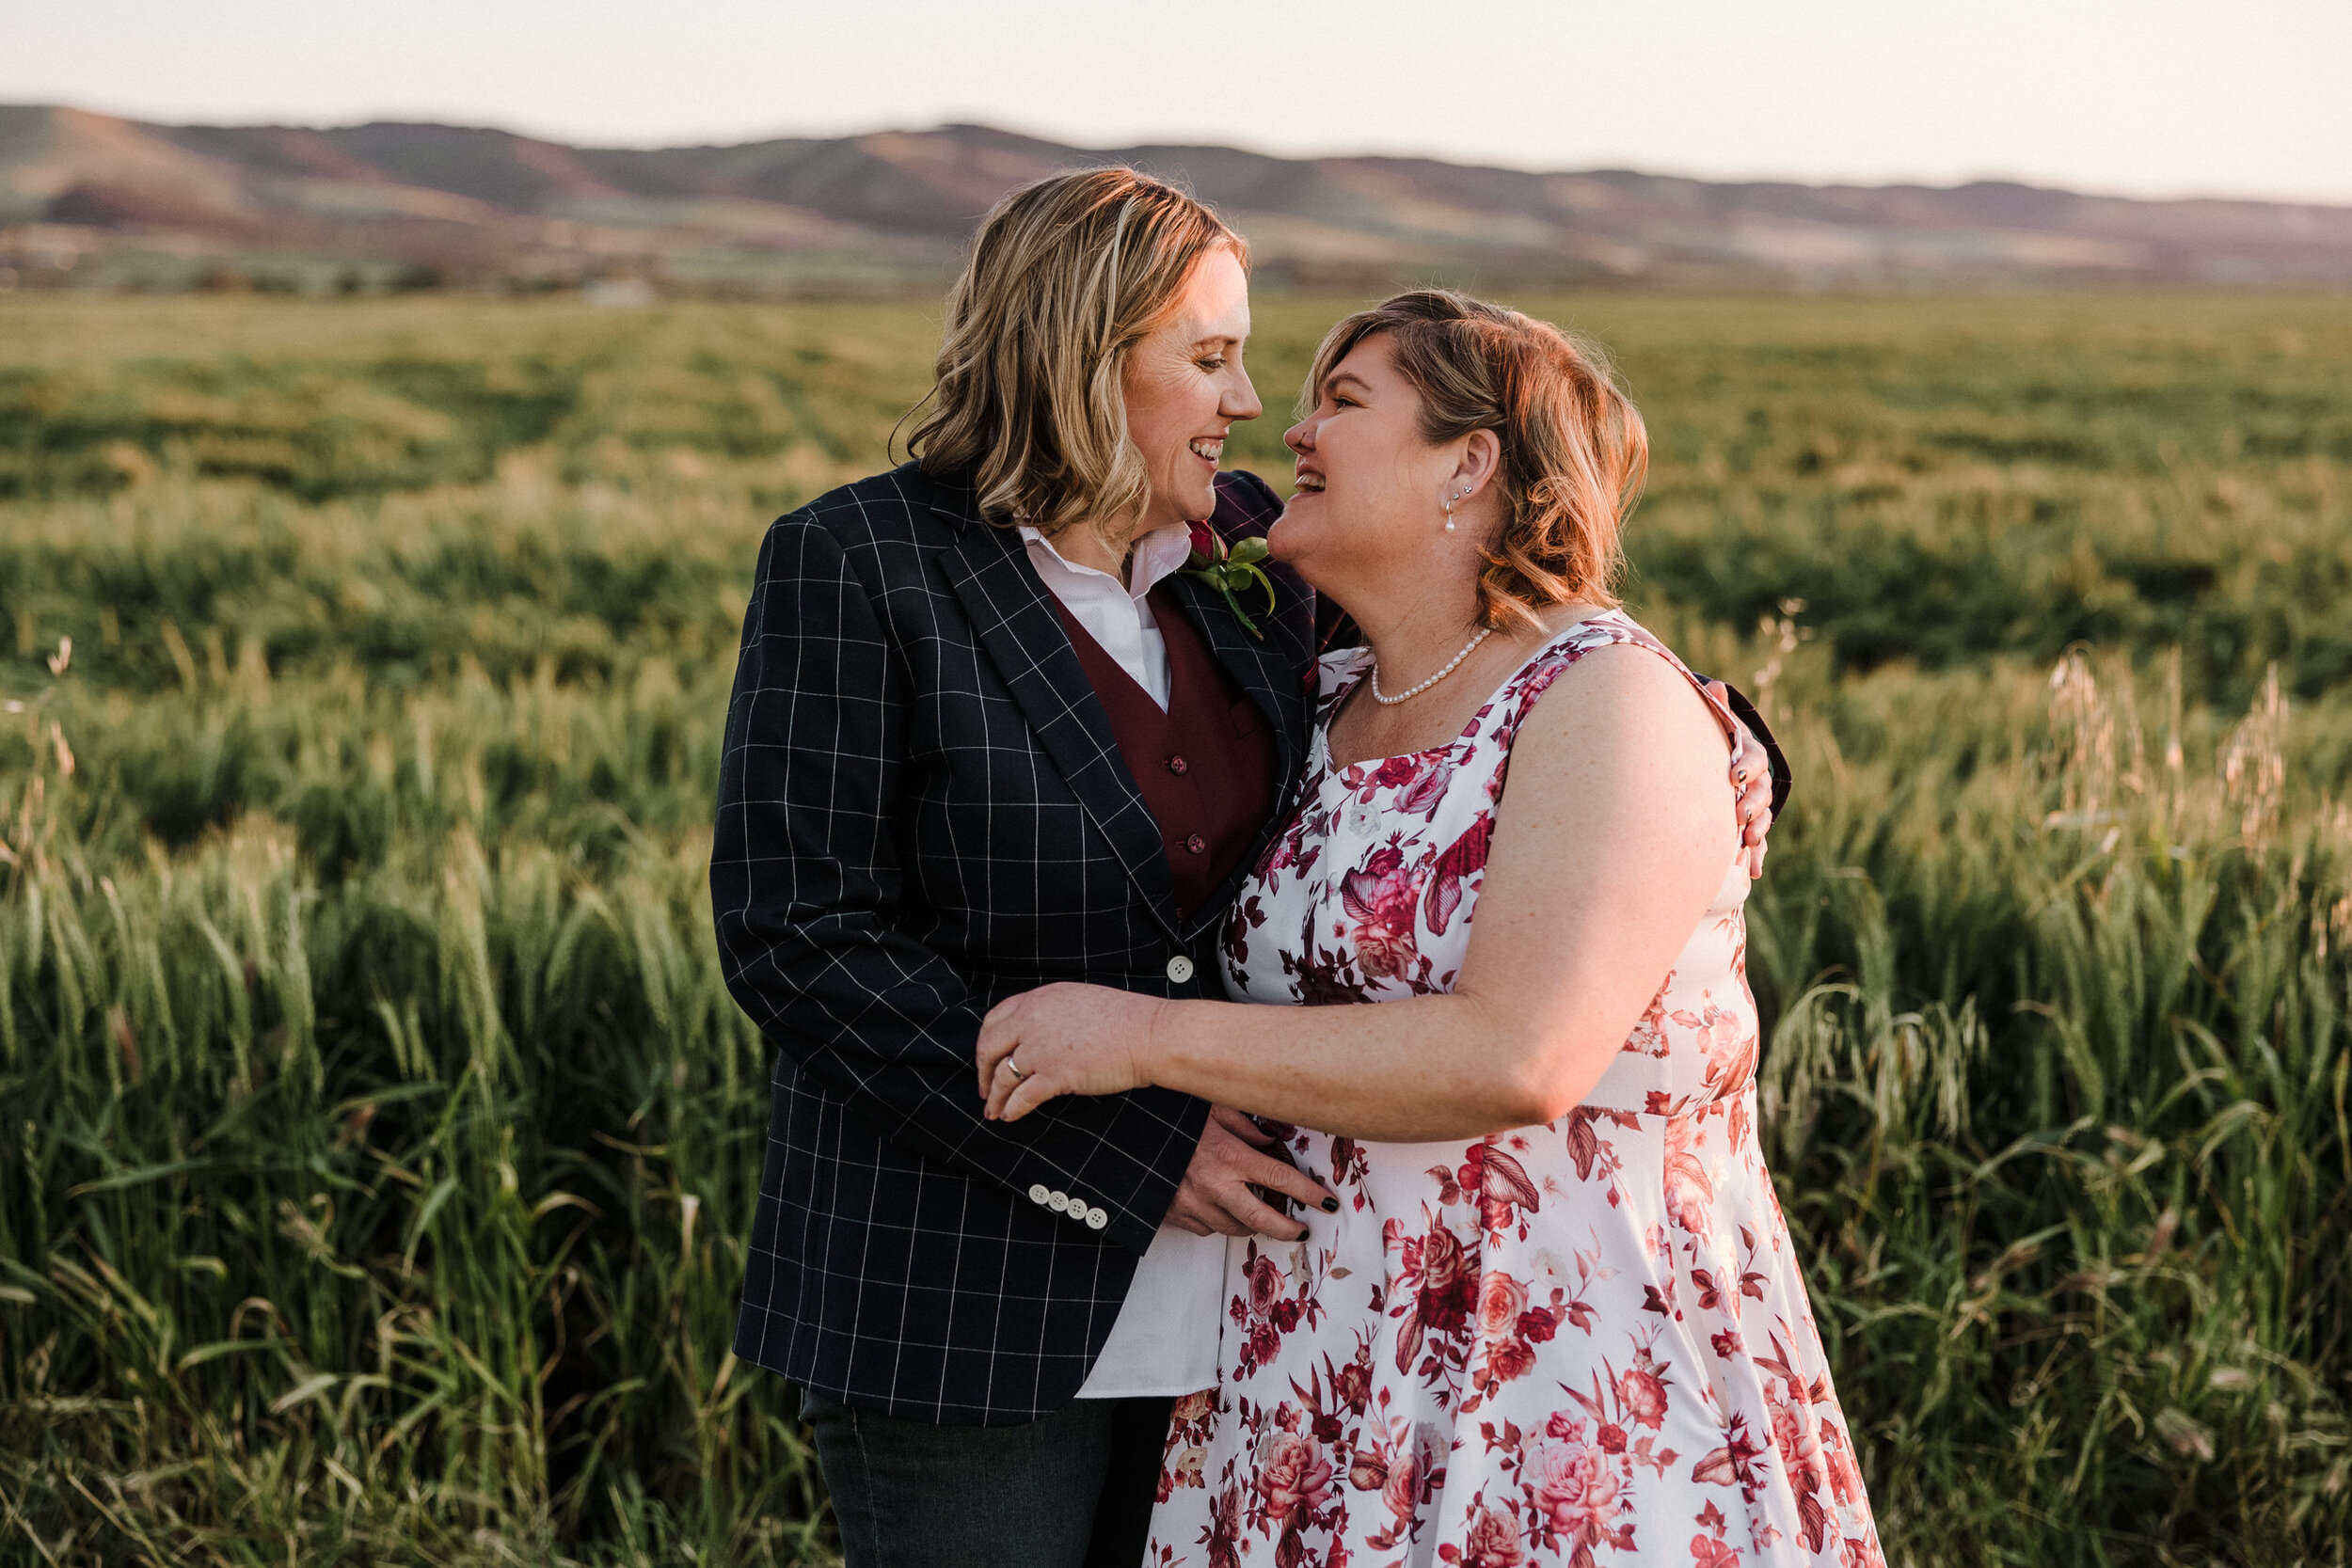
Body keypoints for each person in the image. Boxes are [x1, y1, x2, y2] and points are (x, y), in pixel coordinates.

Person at [712, 166, 1777, 1566]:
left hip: (1261, 1309)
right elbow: (797, 935)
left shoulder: (1262, 558)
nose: (1246, 400)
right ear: (1085, 360)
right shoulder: (861, 564)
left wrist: (1709, 743)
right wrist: (1134, 1141)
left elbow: (1481, 684)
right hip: (968, 1288)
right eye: (1208, 357)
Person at [973, 293, 1882, 1565]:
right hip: (1320, 1369)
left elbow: (1519, 1057)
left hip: (1559, 1368)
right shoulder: (1324, 703)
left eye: (1343, 402)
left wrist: (1139, 1040)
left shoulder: (1603, 697)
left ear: (1471, 464)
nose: (1289, 428)